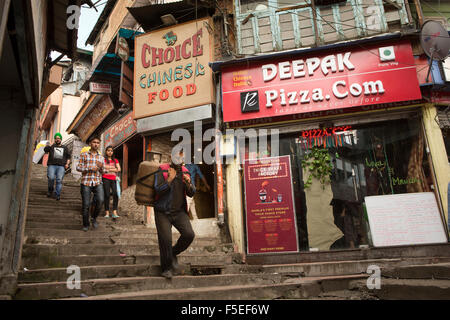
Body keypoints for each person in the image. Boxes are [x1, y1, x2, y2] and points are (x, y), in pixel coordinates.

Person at [154, 150, 196, 279]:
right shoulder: (162, 169)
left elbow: (191, 193)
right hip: (162, 211)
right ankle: (166, 268)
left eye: (182, 157)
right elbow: (157, 189)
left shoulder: (185, 171)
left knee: (189, 234)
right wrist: (170, 180)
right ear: (171, 157)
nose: (179, 159)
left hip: (179, 212)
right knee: (165, 239)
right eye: (177, 156)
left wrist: (188, 183)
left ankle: (172, 253)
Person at [76, 136, 105, 232]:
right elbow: (78, 168)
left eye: (98, 142)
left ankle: (94, 218)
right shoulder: (84, 155)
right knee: (86, 204)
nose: (96, 144)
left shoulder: (101, 157)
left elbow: (103, 171)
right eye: (94, 142)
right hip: (86, 182)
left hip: (97, 182)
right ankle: (86, 224)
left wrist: (101, 168)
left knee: (100, 200)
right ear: (90, 143)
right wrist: (89, 168)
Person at [44, 133, 71, 201]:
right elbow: (45, 150)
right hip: (52, 165)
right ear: (55, 139)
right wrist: (50, 145)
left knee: (59, 180)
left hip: (61, 166)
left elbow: (68, 157)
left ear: (61, 139)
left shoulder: (65, 148)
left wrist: (67, 164)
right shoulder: (52, 146)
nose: (57, 139)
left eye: (59, 138)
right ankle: (50, 190)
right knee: (51, 178)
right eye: (56, 138)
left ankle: (57, 194)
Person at [102, 146, 121, 219]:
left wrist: (108, 169)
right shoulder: (103, 160)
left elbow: (119, 169)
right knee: (106, 194)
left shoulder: (115, 160)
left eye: (111, 151)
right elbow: (102, 169)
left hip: (113, 179)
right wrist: (113, 168)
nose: (110, 152)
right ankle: (106, 212)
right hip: (105, 178)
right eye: (108, 150)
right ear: (106, 152)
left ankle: (114, 212)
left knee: (115, 194)